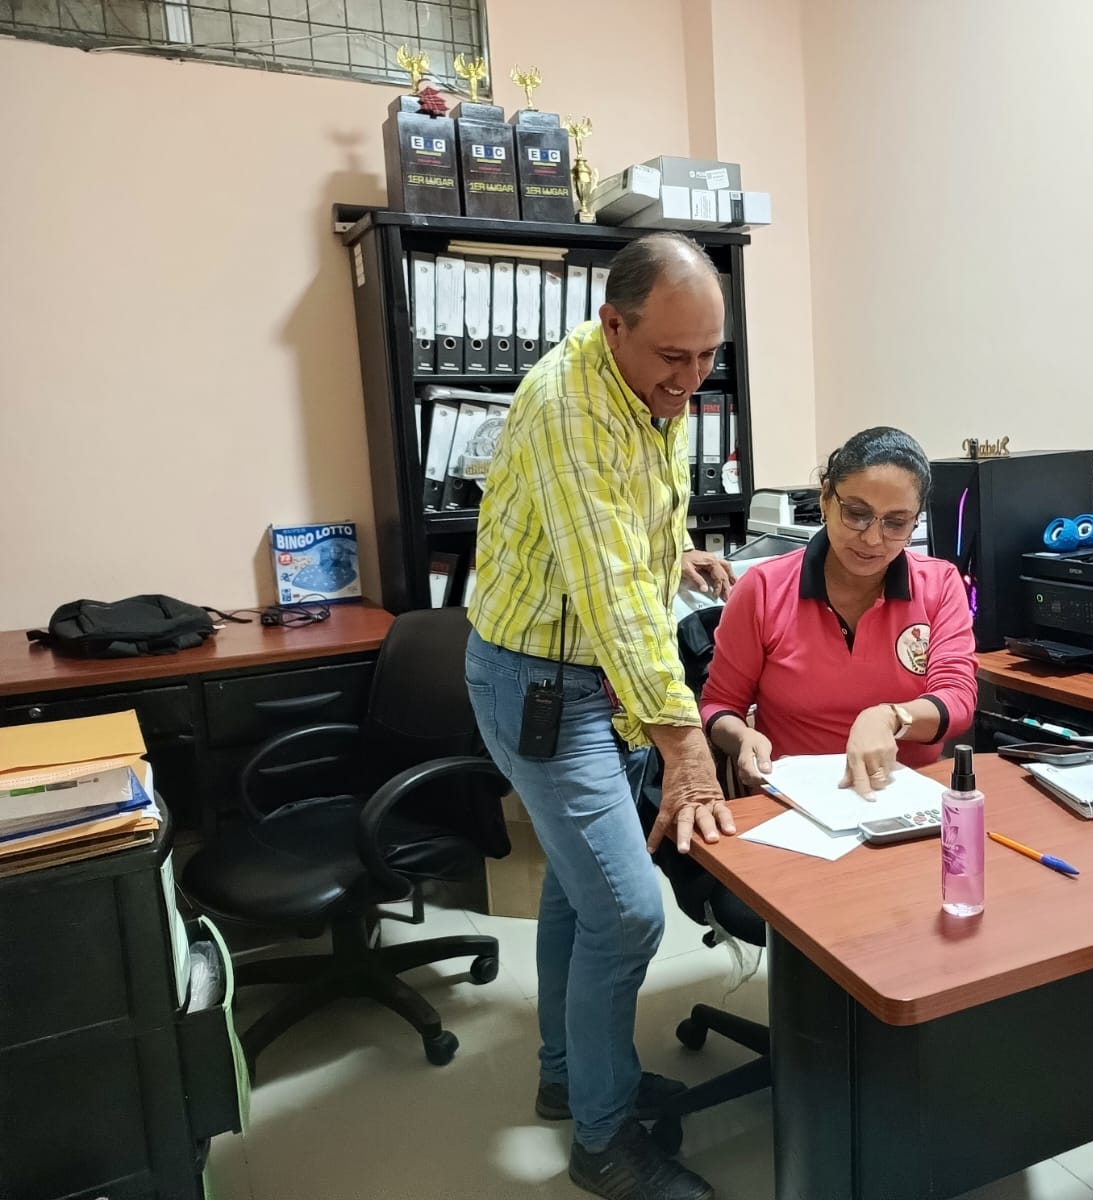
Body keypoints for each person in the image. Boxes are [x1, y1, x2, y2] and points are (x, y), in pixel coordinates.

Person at [466, 232, 737, 1200]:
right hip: (542, 684)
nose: (690, 380)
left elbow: (631, 523)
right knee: (624, 912)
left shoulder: (646, 386)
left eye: (708, 356)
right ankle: (602, 1140)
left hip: (592, 675)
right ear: (611, 324)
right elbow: (613, 600)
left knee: (575, 895)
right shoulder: (567, 407)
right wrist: (686, 750)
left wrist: (677, 551)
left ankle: (568, 1076)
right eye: (673, 357)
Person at [700, 427, 978, 795]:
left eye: (896, 523)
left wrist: (893, 717)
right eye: (857, 514)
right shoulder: (763, 588)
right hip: (796, 797)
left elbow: (958, 698)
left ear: (915, 522)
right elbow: (719, 704)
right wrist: (741, 737)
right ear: (826, 499)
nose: (873, 539)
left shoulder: (939, 584)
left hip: (906, 794)